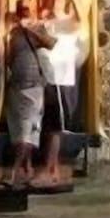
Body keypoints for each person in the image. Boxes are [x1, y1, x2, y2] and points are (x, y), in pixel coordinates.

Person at [5, 0, 57, 188]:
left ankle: (15, 170)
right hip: (16, 84)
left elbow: (51, 43)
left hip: (33, 85)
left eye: (27, 8)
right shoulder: (13, 32)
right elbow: (10, 56)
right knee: (17, 128)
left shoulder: (37, 28)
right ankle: (26, 168)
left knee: (26, 129)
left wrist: (31, 30)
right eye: (21, 9)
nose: (24, 12)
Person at [38, 11, 85, 185]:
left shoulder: (48, 50)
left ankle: (52, 167)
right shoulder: (51, 50)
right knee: (52, 129)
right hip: (54, 85)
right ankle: (52, 168)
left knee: (53, 129)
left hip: (54, 86)